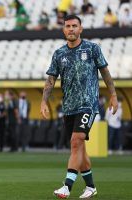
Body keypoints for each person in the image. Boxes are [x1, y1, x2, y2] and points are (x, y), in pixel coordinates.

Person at [40, 15, 118, 199]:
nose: (71, 29)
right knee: (79, 148)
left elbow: (105, 72)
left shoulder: (92, 48)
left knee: (77, 141)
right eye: (68, 26)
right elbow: (51, 79)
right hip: (69, 107)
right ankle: (91, 187)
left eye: (75, 26)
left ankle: (67, 186)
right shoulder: (59, 53)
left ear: (81, 29)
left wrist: (113, 94)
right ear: (63, 30)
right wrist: (44, 101)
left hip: (88, 105)